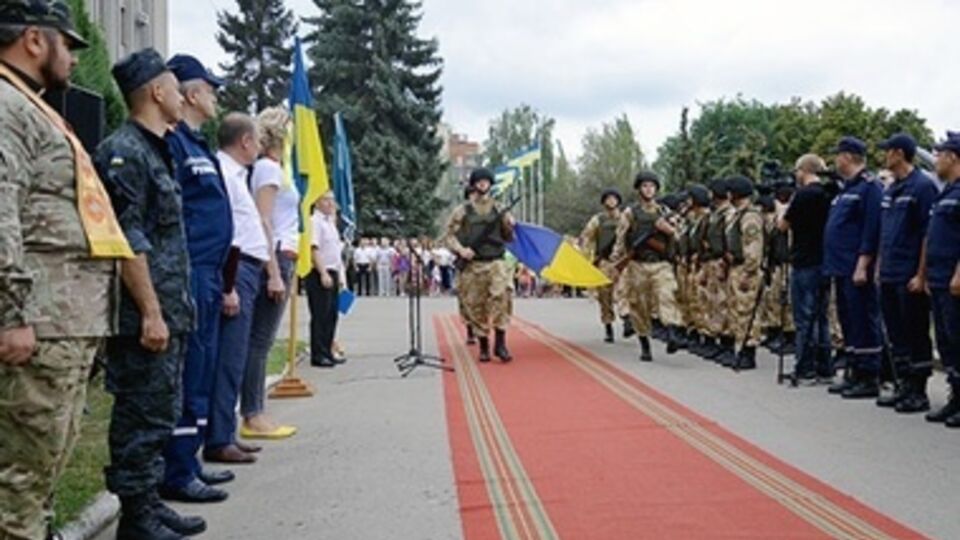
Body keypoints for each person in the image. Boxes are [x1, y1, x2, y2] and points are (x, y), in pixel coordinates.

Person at [0, 4, 129, 538]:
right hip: (38, 322)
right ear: (34, 39)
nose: (74, 59)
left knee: (40, 475)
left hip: (63, 323)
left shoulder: (31, 105)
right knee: (17, 485)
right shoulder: (7, 106)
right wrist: (9, 313)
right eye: (67, 46)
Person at [95, 48, 205, 539]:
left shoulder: (159, 148)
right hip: (145, 315)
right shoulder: (124, 152)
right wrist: (152, 311)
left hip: (169, 309)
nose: (183, 98)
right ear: (156, 92)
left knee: (160, 412)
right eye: (176, 89)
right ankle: (135, 519)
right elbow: (126, 238)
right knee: (139, 417)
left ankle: (149, 501)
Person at [158, 54, 234, 505]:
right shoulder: (174, 144)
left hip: (208, 274)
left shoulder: (197, 144)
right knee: (188, 372)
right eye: (210, 87)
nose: (215, 96)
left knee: (201, 370)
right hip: (187, 272)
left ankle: (190, 459)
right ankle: (178, 470)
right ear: (189, 92)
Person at [204, 113, 267, 465]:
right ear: (245, 141)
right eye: (256, 140)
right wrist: (228, 285)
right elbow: (224, 231)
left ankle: (224, 432)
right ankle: (218, 437)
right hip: (236, 269)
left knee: (236, 355)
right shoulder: (224, 173)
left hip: (245, 269)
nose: (258, 146)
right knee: (229, 358)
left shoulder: (237, 174)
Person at [240, 106, 300, 439]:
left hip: (283, 253)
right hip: (273, 257)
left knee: (261, 339)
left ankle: (255, 408)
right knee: (259, 340)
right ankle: (253, 412)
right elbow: (263, 220)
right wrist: (274, 272)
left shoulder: (277, 169)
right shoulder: (267, 169)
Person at [875, 133, 938, 413]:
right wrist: (878, 266)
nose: (884, 156)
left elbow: (927, 234)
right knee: (896, 333)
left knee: (915, 331)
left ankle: (918, 390)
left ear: (899, 153)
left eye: (887, 151)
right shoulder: (891, 189)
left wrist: (921, 274)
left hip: (909, 273)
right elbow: (884, 232)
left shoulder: (922, 187)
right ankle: (903, 384)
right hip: (889, 272)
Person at [823, 136, 884, 399]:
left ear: (847, 157)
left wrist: (863, 263)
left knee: (862, 319)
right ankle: (853, 368)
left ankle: (869, 374)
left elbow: (872, 229)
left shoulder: (869, 188)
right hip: (840, 266)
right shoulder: (846, 189)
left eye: (838, 155)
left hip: (856, 267)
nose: (835, 160)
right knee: (847, 320)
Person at [444, 168, 515, 362]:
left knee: (502, 299)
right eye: (479, 181)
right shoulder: (463, 211)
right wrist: (460, 250)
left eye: (486, 181)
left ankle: (500, 344)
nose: (483, 184)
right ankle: (483, 344)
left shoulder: (499, 209)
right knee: (476, 306)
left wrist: (509, 226)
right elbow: (449, 235)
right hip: (474, 265)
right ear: (474, 185)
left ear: (491, 184)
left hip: (496, 262)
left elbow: (509, 238)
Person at [611, 171, 682, 362]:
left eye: (652, 186)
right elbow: (620, 238)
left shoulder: (664, 212)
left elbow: (681, 238)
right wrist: (616, 264)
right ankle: (645, 344)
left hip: (661, 264)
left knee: (667, 295)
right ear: (638, 189)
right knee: (639, 306)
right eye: (644, 186)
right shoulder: (630, 213)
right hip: (637, 265)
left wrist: (669, 231)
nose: (648, 189)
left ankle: (672, 333)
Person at [780, 154, 833, 383]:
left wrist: (782, 208)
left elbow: (782, 225)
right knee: (822, 317)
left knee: (803, 318)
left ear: (804, 170)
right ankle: (825, 366)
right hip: (825, 260)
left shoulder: (802, 196)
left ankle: (805, 366)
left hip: (804, 260)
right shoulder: (829, 193)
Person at [924, 132, 960, 427]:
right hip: (938, 278)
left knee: (958, 339)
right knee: (947, 341)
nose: (936, 160)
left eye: (940, 155)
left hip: (954, 278)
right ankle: (955, 396)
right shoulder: (946, 192)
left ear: (953, 157)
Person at [722, 176, 765, 370]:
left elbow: (753, 246)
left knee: (747, 311)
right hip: (735, 267)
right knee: (736, 310)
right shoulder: (737, 214)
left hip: (746, 269)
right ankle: (739, 348)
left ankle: (749, 352)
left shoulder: (750, 216)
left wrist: (749, 272)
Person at [306, 191, 346, 367]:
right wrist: (323, 272)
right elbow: (313, 249)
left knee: (331, 315)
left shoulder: (330, 223)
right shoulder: (315, 222)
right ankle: (318, 354)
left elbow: (336, 253)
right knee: (320, 315)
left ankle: (328, 350)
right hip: (320, 272)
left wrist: (341, 275)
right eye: (326, 200)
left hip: (333, 271)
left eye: (332, 200)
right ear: (317, 202)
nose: (330, 203)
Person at [579, 188, 624, 342]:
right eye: (608, 199)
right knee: (605, 296)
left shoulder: (625, 218)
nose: (611, 201)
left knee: (627, 292)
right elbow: (587, 236)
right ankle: (608, 326)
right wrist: (587, 256)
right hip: (605, 261)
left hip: (624, 261)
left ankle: (629, 319)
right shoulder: (598, 219)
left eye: (614, 198)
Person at [699, 179, 737, 362]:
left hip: (723, 263)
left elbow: (730, 240)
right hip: (712, 262)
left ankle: (728, 343)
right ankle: (718, 340)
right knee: (714, 303)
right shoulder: (716, 214)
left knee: (725, 303)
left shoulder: (729, 213)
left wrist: (725, 262)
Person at [679, 184, 711, 355]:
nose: (687, 202)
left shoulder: (706, 218)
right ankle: (694, 333)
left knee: (703, 303)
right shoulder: (694, 219)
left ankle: (706, 337)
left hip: (703, 264)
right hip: (692, 264)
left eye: (690, 198)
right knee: (692, 301)